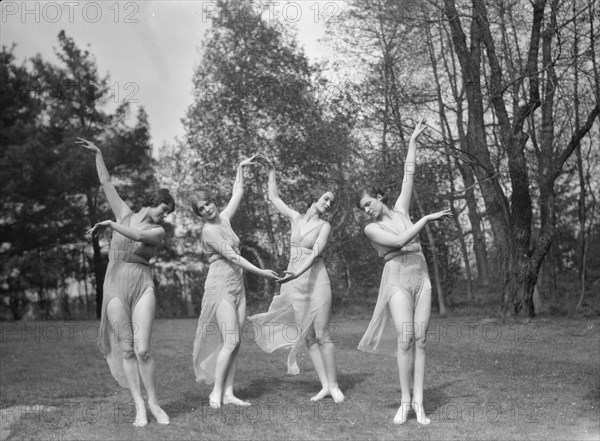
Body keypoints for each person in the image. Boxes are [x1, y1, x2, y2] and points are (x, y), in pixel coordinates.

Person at [355, 120, 451, 425]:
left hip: (420, 275)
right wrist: (425, 219)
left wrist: (412, 141)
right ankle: (404, 401)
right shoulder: (372, 228)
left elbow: (408, 174)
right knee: (405, 339)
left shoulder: (400, 208)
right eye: (362, 208)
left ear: (378, 197)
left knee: (422, 340)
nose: (366, 210)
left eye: (368, 203)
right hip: (396, 277)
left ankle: (419, 404)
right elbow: (399, 240)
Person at [77, 137, 174, 427]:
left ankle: (154, 403)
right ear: (153, 201)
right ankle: (139, 406)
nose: (165, 215)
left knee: (143, 349)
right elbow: (106, 182)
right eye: (164, 208)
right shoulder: (124, 213)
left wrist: (109, 225)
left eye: (168, 213)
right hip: (115, 283)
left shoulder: (158, 231)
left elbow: (140, 238)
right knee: (127, 349)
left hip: (142, 284)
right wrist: (99, 154)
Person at [247, 154, 344, 403]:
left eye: (331, 202)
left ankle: (334, 385)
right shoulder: (296, 218)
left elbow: (316, 253)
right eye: (325, 198)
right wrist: (272, 170)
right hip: (295, 283)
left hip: (316, 280)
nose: (328, 204)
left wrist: (297, 273)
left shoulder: (325, 226)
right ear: (315, 196)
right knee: (308, 336)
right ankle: (324, 386)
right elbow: (274, 198)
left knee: (322, 334)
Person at [192, 155, 280, 408]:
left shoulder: (225, 219)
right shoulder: (209, 231)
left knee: (236, 340)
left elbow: (237, 192)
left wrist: (240, 168)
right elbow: (233, 256)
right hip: (219, 286)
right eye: (202, 209)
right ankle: (215, 392)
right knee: (230, 340)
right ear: (199, 215)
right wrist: (262, 272)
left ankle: (229, 392)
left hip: (236, 285)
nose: (208, 209)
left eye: (208, 203)